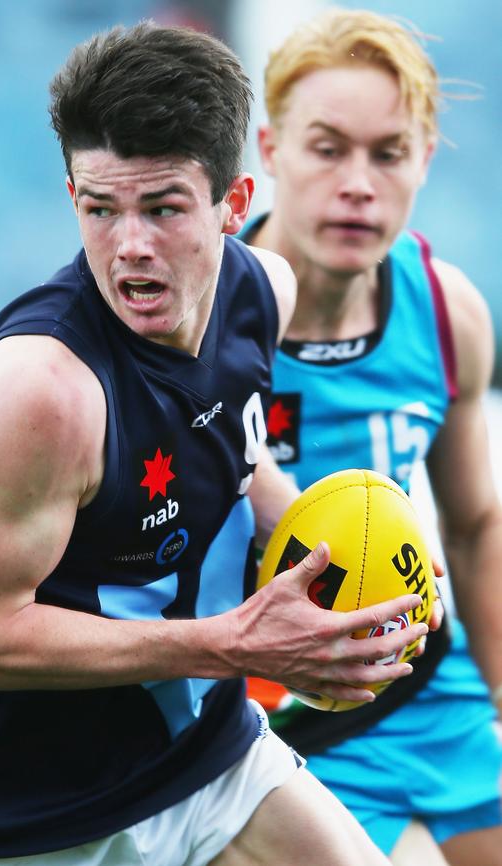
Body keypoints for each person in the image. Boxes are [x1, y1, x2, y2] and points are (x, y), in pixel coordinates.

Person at [0, 21, 431, 866]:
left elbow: (240, 458)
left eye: (165, 207)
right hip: (22, 816)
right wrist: (238, 643)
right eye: (101, 208)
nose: (130, 245)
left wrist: (345, 585)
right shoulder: (40, 394)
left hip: (204, 753)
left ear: (234, 204)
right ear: (73, 198)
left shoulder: (263, 295)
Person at [241, 8, 502, 866]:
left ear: (422, 160)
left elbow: (472, 526)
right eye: (327, 148)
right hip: (276, 714)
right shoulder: (200, 322)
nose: (358, 182)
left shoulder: (447, 310)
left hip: (431, 685)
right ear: (272, 151)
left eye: (388, 152)